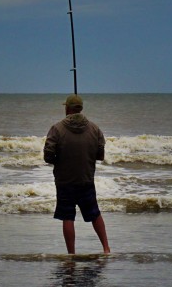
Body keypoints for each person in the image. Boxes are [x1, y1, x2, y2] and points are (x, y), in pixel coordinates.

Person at [44, 93, 110, 254]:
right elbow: (100, 154)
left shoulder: (57, 129)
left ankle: (71, 254)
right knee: (95, 213)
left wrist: (60, 159)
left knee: (68, 217)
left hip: (65, 181)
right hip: (86, 179)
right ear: (81, 109)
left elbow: (48, 155)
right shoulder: (94, 128)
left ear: (67, 108)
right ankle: (106, 249)